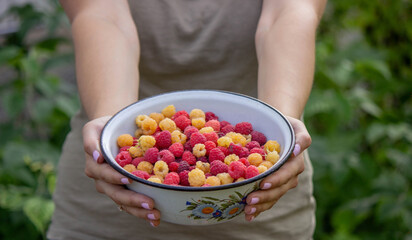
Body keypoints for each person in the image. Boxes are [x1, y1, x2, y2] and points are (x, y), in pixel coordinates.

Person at [47, 0, 326, 239]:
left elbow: (288, 13)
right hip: (109, 208)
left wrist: (279, 121)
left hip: (261, 205)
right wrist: (113, 127)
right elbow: (103, 17)